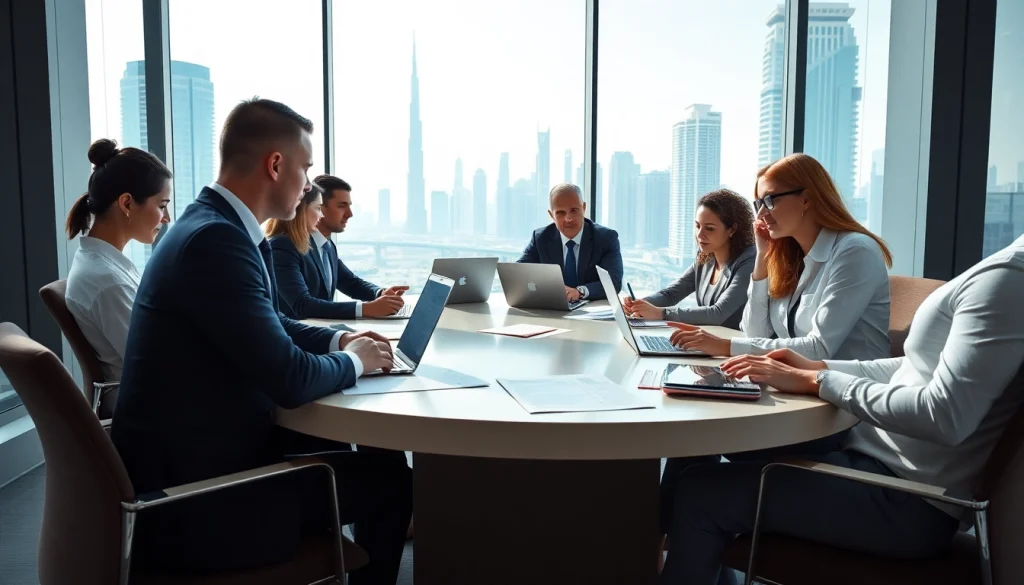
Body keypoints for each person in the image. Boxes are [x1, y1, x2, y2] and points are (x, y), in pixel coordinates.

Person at [111, 98, 412, 584]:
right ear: (276, 164)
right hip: (202, 501)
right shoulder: (217, 242)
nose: (309, 184)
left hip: (193, 458)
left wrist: (340, 342)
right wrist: (356, 362)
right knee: (391, 479)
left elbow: (271, 322)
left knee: (371, 453)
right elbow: (289, 378)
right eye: (306, 168)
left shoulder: (210, 224)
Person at [658, 233, 1024, 585]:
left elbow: (946, 416)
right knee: (698, 448)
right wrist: (816, 369)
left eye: (769, 200)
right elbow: (912, 366)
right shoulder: (1007, 271)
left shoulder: (1010, 278)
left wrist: (821, 383)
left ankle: (642, 559)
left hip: (904, 499)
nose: (761, 214)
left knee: (699, 494)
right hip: (880, 467)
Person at [668, 153, 893, 360]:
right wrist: (762, 260)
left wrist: (725, 346)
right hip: (799, 385)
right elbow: (753, 333)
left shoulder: (855, 252)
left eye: (770, 200)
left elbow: (819, 349)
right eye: (758, 204)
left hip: (848, 395)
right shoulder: (790, 256)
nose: (761, 214)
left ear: (806, 199)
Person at [64, 138, 171, 382]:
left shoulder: (102, 264)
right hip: (157, 408)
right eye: (162, 206)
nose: (166, 218)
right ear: (127, 204)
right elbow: (158, 364)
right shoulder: (108, 282)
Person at [267, 177, 407, 319]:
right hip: (294, 336)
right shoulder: (282, 246)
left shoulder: (326, 245)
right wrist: (366, 309)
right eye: (341, 206)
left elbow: (349, 282)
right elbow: (302, 305)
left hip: (319, 330)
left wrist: (380, 293)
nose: (350, 214)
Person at [624, 189, 755, 329]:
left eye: (709, 229)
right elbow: (671, 294)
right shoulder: (706, 257)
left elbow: (718, 314)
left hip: (734, 345)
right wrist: (639, 305)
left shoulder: (749, 261)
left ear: (732, 229)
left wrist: (661, 313)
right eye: (698, 226)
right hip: (708, 340)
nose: (700, 235)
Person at [517, 183, 623, 301]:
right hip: (553, 310)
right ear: (551, 215)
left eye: (574, 210)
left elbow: (614, 282)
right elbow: (517, 273)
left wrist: (579, 292)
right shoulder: (540, 238)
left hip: (591, 310)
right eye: (561, 213)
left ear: (583, 208)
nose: (568, 219)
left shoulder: (606, 238)